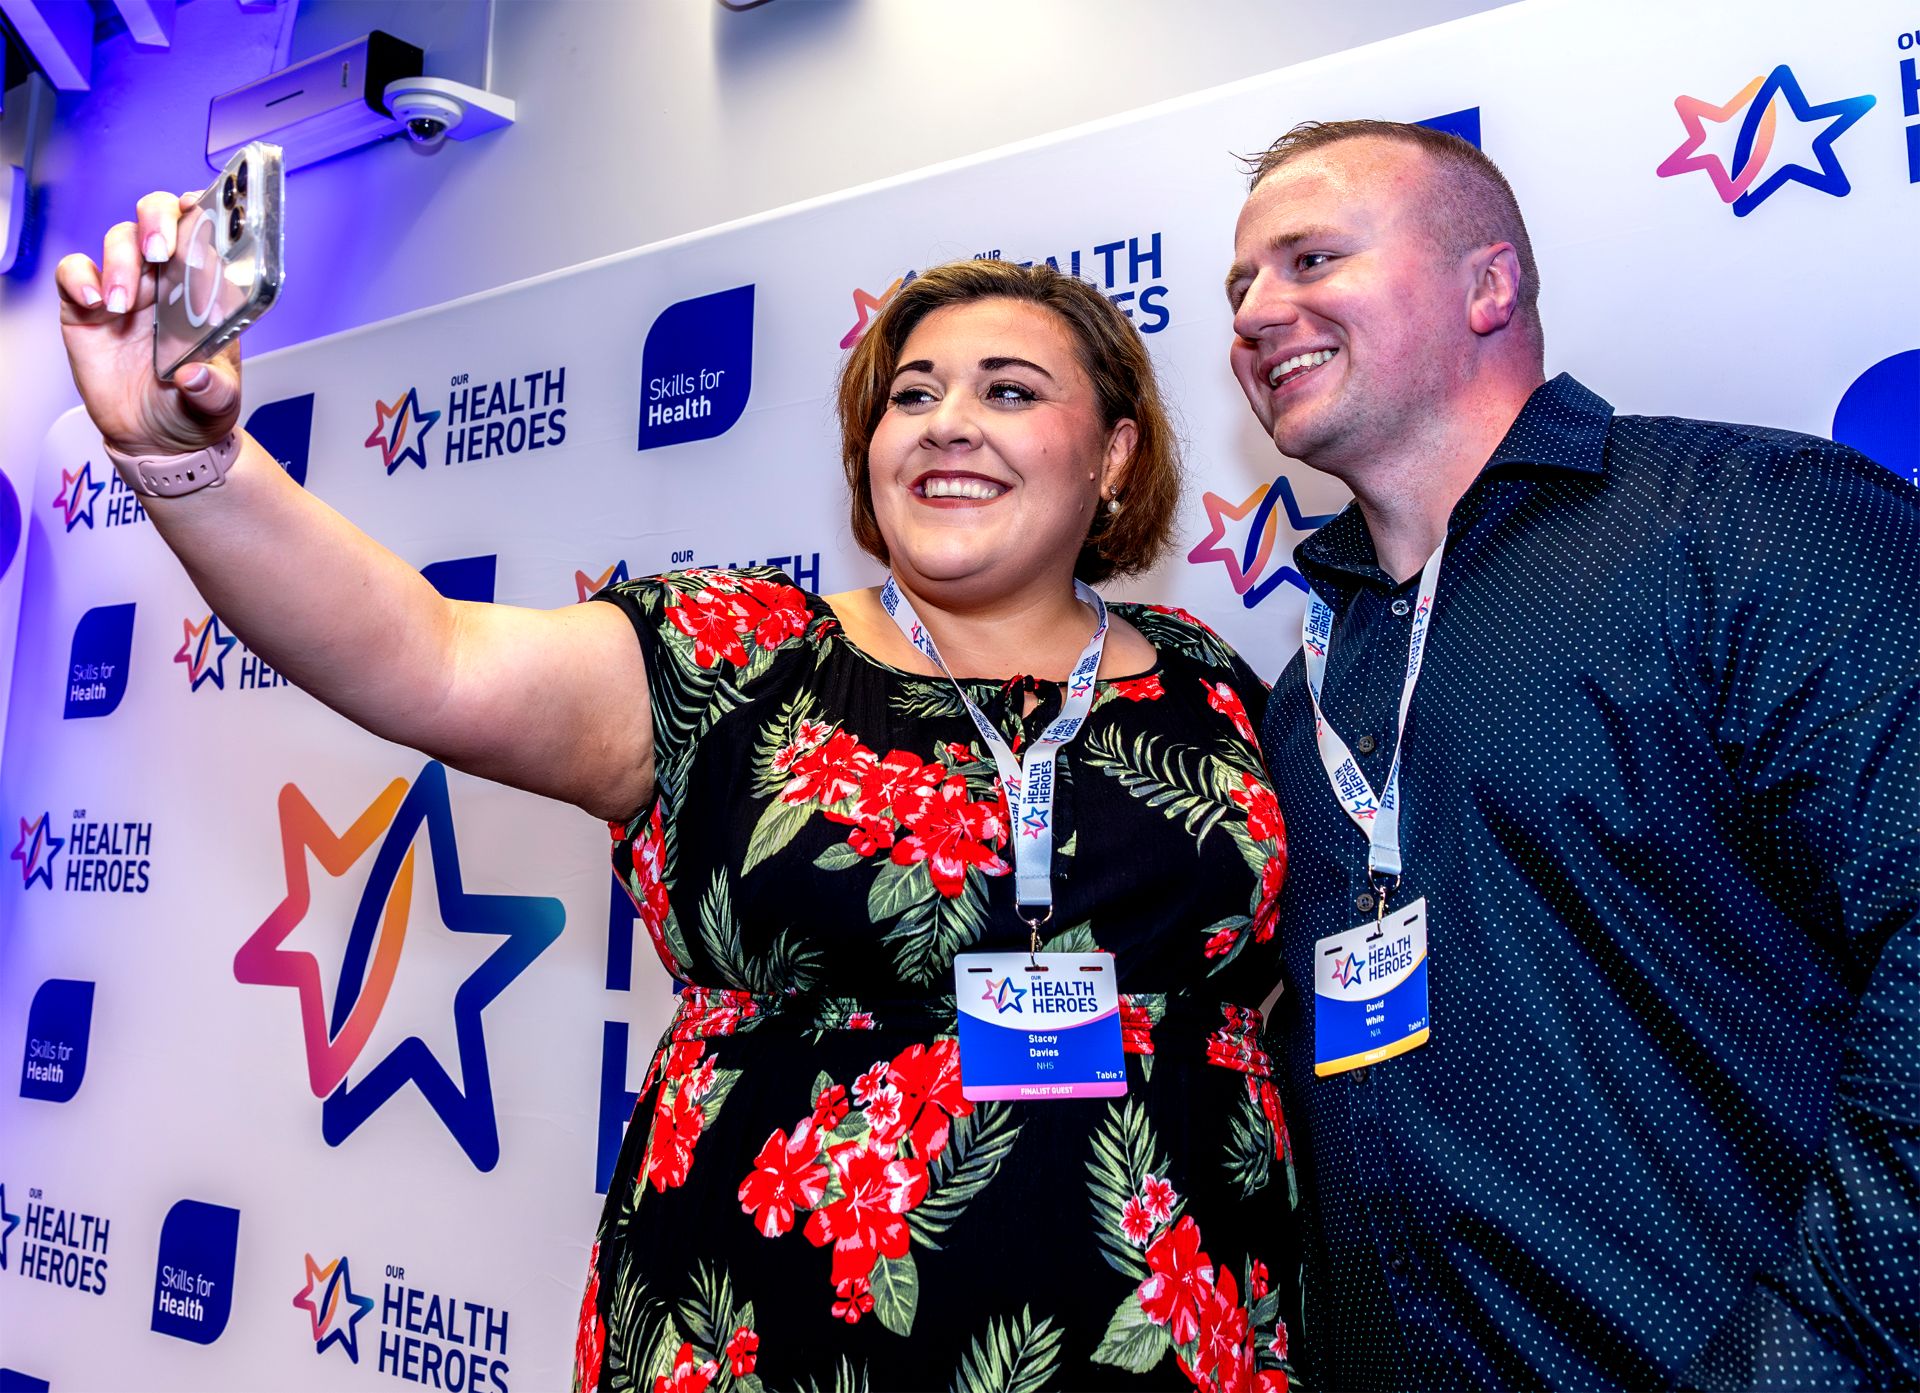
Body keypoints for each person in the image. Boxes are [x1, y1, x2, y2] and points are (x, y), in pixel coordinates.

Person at [58, 208, 1303, 1391]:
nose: (946, 425)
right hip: (769, 1322)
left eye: (1010, 392)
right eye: (912, 395)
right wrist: (188, 462)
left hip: (1177, 1332)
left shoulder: (1208, 682)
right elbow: (425, 655)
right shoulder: (735, 653)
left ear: (1115, 453)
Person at [1226, 118, 1920, 1390]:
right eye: (1241, 286)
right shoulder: (1307, 695)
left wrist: (1805, 1364)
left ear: (1489, 285)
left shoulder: (1752, 523)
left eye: (1312, 259)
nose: (1259, 312)